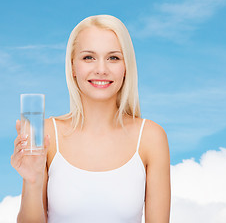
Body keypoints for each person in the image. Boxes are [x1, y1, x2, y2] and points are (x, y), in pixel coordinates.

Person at [11, 15, 171, 223]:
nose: (101, 69)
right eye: (89, 57)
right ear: (73, 67)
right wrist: (32, 181)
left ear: (126, 67)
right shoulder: (47, 134)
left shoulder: (151, 138)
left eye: (113, 58)